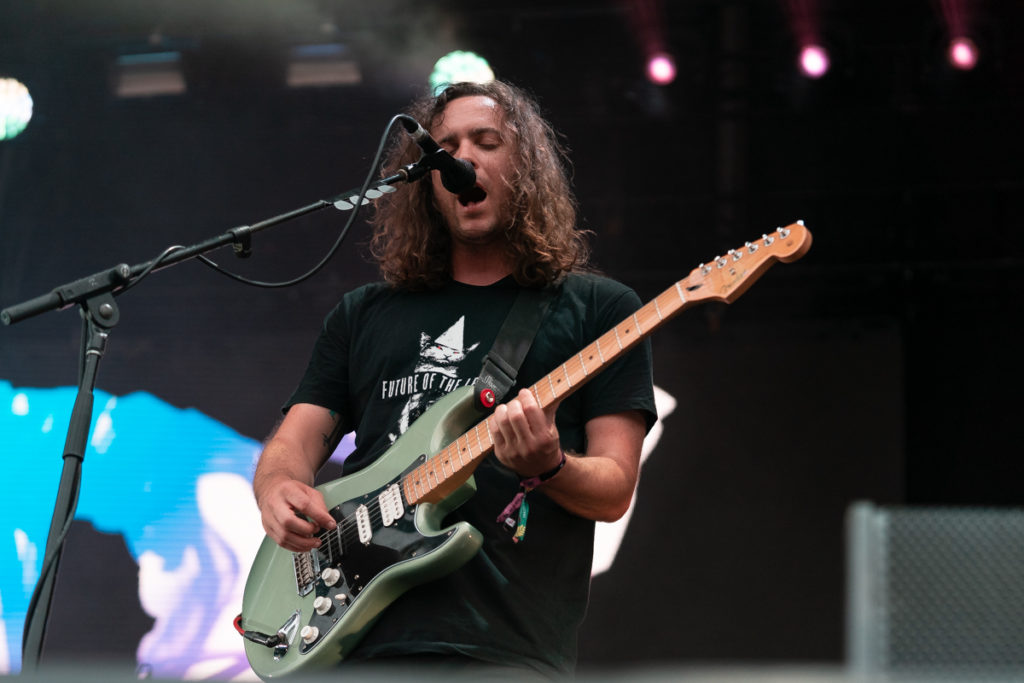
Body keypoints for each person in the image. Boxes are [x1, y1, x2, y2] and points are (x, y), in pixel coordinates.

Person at [252, 79, 656, 678]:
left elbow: (615, 489)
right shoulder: (363, 314)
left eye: (486, 142)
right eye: (445, 148)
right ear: (427, 179)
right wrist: (276, 487)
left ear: (526, 167)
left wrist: (549, 465)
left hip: (502, 649)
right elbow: (295, 441)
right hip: (352, 645)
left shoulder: (598, 310)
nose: (462, 158)